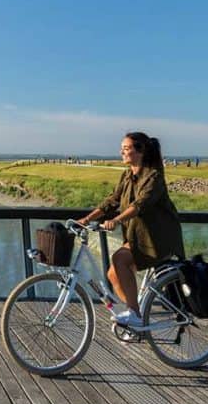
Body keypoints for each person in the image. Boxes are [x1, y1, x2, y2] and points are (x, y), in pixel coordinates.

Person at [77, 132, 185, 328]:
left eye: (126, 149)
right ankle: (135, 316)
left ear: (140, 151)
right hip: (138, 236)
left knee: (120, 259)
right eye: (123, 148)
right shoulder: (127, 175)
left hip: (157, 238)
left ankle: (134, 314)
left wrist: (116, 220)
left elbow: (139, 205)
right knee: (112, 274)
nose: (122, 152)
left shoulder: (154, 176)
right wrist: (86, 219)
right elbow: (112, 201)